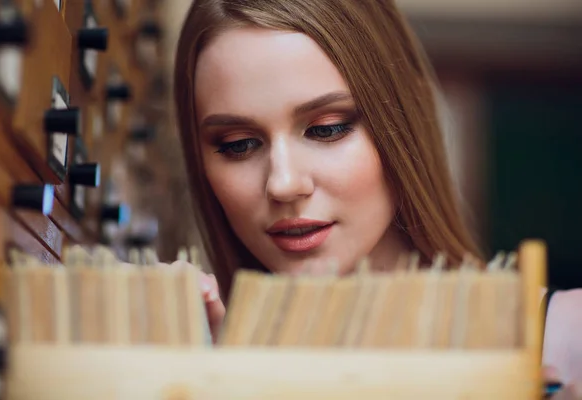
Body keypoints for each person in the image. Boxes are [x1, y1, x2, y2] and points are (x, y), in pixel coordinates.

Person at [173, 0, 582, 394]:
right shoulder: (198, 368)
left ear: (402, 122)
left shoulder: (567, 341)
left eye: (326, 129)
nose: (283, 183)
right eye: (239, 144)